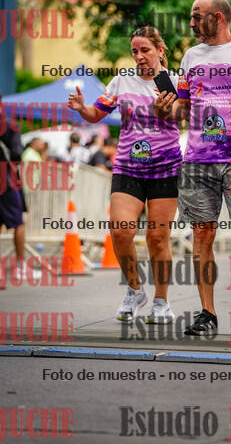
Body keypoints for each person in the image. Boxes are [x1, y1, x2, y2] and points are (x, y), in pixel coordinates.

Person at [155, 0, 231, 335]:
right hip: (198, 159)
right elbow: (183, 108)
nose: (191, 23)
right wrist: (165, 110)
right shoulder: (190, 57)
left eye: (197, 16)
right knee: (202, 233)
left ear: (218, 17)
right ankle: (207, 312)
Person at [68, 26, 182, 324]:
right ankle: (134, 290)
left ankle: (161, 301)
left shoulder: (174, 81)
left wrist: (166, 111)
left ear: (160, 50)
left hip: (165, 168)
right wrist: (82, 109)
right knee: (120, 231)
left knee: (157, 238)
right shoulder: (122, 80)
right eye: (134, 51)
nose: (139, 56)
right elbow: (96, 113)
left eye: (145, 50)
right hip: (128, 167)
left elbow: (185, 116)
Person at [0, 94, 40, 282]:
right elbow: (17, 153)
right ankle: (20, 266)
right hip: (7, 180)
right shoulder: (10, 124)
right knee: (18, 223)